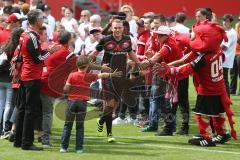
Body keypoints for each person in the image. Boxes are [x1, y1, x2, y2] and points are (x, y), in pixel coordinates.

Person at [14, 9, 60, 151]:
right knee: (29, 110)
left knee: (22, 108)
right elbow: (37, 58)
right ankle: (27, 143)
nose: (43, 21)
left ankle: (18, 140)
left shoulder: (24, 33)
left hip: (25, 75)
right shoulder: (32, 36)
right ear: (37, 20)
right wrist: (50, 52)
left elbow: (23, 55)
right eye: (42, 18)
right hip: (32, 76)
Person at [89, 19, 140, 142]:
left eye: (119, 28)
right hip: (108, 75)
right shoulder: (105, 40)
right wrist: (87, 63)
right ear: (111, 28)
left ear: (123, 28)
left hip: (120, 75)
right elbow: (94, 53)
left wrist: (138, 64)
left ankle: (101, 120)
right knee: (110, 104)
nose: (117, 30)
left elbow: (131, 53)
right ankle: (109, 134)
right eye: (115, 28)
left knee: (114, 106)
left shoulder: (127, 39)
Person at [60, 55, 122, 153]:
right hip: (82, 103)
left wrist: (66, 87)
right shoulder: (89, 76)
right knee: (80, 126)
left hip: (71, 102)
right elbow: (101, 75)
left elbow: (66, 89)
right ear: (87, 66)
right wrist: (112, 75)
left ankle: (63, 147)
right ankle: (79, 149)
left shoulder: (72, 75)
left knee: (68, 125)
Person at [221, 14, 238, 97]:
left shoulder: (231, 33)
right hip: (223, 58)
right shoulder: (226, 31)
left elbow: (224, 47)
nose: (224, 22)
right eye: (224, 20)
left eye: (227, 21)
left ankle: (226, 99)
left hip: (225, 59)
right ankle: (225, 99)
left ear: (230, 22)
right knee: (223, 80)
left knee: (224, 80)